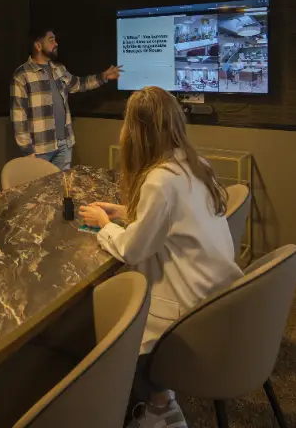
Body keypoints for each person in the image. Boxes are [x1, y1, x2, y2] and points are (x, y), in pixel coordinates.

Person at [79, 86, 242, 428]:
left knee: (117, 325)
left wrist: (105, 223)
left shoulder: (158, 182)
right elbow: (173, 219)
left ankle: (159, 404)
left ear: (137, 131)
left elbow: (134, 248)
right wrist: (126, 211)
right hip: (219, 299)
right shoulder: (196, 167)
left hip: (189, 314)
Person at [10, 28, 122, 171]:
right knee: (41, 191)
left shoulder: (59, 69)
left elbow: (78, 84)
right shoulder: (22, 75)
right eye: (51, 40)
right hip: (40, 149)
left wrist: (104, 76)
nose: (56, 44)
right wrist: (27, 150)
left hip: (64, 144)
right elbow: (18, 116)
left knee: (62, 189)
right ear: (38, 46)